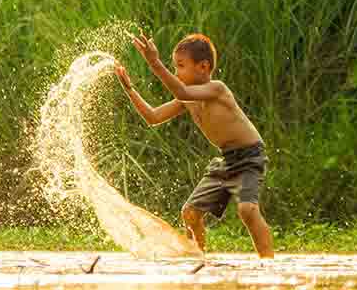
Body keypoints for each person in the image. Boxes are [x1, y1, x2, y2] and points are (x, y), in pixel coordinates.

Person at [114, 33, 275, 258]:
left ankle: (268, 263)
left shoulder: (217, 89)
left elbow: (181, 90)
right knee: (190, 213)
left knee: (247, 210)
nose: (177, 72)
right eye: (175, 67)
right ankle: (199, 260)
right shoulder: (187, 100)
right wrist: (130, 89)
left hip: (249, 157)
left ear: (203, 66)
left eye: (180, 66)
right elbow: (153, 117)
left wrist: (154, 62)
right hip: (227, 160)